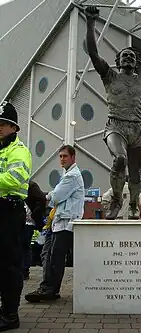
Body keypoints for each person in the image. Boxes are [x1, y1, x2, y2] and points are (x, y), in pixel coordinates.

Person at [83, 5, 141, 220]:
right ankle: (117, 200)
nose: (128, 57)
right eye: (124, 56)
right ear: (118, 62)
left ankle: (134, 206)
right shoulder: (109, 76)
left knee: (136, 173)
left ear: (137, 62)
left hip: (137, 127)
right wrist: (91, 22)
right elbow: (93, 52)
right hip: (116, 125)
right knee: (120, 159)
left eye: (131, 56)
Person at [25, 145, 85, 302]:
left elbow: (57, 196)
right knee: (49, 255)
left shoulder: (71, 176)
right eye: (60, 156)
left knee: (55, 257)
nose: (62, 159)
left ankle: (49, 289)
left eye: (65, 156)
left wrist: (46, 195)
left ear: (73, 157)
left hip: (66, 222)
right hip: (60, 222)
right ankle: (47, 287)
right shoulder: (69, 175)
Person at [0, 101, 32, 331]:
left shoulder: (19, 151)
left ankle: (10, 315)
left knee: (9, 265)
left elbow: (14, 178)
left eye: (4, 124)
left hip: (9, 212)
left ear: (15, 128)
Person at [22, 181, 46, 279]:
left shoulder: (31, 185)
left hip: (28, 222)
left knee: (24, 245)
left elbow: (42, 199)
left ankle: (24, 270)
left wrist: (34, 213)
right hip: (18, 220)